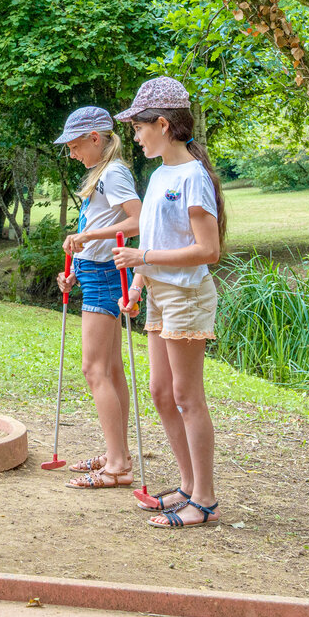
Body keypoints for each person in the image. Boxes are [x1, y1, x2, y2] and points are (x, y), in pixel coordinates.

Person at [111, 77, 226, 528]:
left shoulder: (193, 178)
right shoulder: (159, 176)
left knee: (185, 395)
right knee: (161, 394)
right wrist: (138, 284)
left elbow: (209, 251)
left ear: (162, 124)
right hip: (158, 292)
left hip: (186, 293)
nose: (135, 137)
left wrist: (145, 258)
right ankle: (185, 487)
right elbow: (156, 241)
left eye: (138, 127)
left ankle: (205, 499)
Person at [53, 107, 142, 490]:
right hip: (94, 272)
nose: (73, 154)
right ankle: (116, 452)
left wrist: (88, 241)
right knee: (111, 368)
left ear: (94, 137)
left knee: (95, 370)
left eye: (75, 146)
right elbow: (100, 223)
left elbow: (138, 221)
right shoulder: (101, 173)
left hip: (106, 276)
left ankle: (118, 466)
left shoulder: (114, 173)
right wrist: (76, 266)